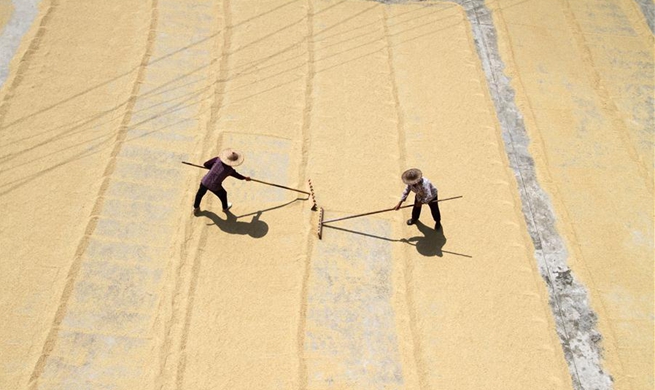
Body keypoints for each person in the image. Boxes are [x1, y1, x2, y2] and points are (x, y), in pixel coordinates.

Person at [193, 148, 251, 215]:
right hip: (215, 186)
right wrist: (245, 178)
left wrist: (212, 168)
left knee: (199, 194)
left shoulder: (217, 159)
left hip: (205, 181)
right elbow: (238, 176)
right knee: (223, 194)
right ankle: (225, 208)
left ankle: (196, 207)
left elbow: (206, 164)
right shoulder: (230, 170)